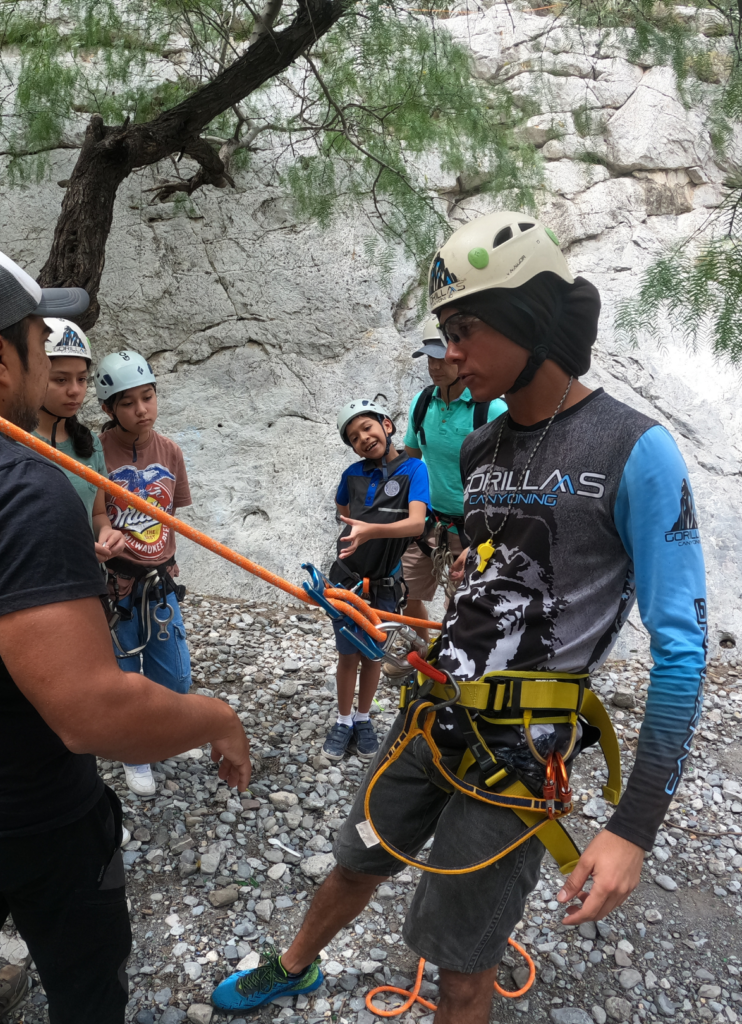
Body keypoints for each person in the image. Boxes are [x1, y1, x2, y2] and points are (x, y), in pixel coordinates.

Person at [211, 211, 706, 1022]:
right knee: (356, 858)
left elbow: (682, 652)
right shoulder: (481, 448)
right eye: (446, 332)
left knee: (462, 966)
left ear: (534, 321)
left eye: (467, 330)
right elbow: (471, 573)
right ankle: (297, 965)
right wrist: (391, 596)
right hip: (431, 717)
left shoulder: (635, 450)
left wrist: (634, 828)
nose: (452, 353)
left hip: (520, 762)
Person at [0, 245, 250, 1024]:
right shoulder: (14, 483)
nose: (51, 352)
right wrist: (218, 718)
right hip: (28, 810)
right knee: (87, 973)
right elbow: (93, 711)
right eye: (38, 336)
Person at [94, 350, 195, 798]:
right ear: (108, 409)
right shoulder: (95, 453)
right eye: (129, 402)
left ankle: (164, 730)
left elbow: (172, 513)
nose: (141, 410)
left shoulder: (169, 451)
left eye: (148, 398)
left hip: (160, 581)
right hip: (116, 585)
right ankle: (136, 753)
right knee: (123, 673)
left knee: (174, 674)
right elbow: (92, 514)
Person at [322, 400, 429, 761]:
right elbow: (344, 512)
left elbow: (417, 523)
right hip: (348, 581)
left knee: (372, 655)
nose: (363, 438)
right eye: (354, 437)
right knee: (347, 654)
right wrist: (361, 532)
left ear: (387, 425)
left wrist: (371, 531)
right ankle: (343, 719)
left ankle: (363, 718)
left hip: (384, 583)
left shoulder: (415, 470)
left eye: (367, 428)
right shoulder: (352, 474)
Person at [400, 317, 506, 643]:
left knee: (461, 601)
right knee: (407, 590)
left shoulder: (490, 410)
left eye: (439, 358)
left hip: (472, 526)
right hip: (428, 521)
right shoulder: (422, 403)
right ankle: (422, 650)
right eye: (429, 359)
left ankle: (449, 661)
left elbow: (509, 480)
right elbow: (411, 462)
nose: (433, 366)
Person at [34, 318, 125, 562]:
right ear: (33, 376)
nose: (75, 390)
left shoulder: (89, 443)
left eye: (82, 379)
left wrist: (106, 533)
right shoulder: (10, 440)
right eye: (60, 380)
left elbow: (96, 514)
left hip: (88, 577)